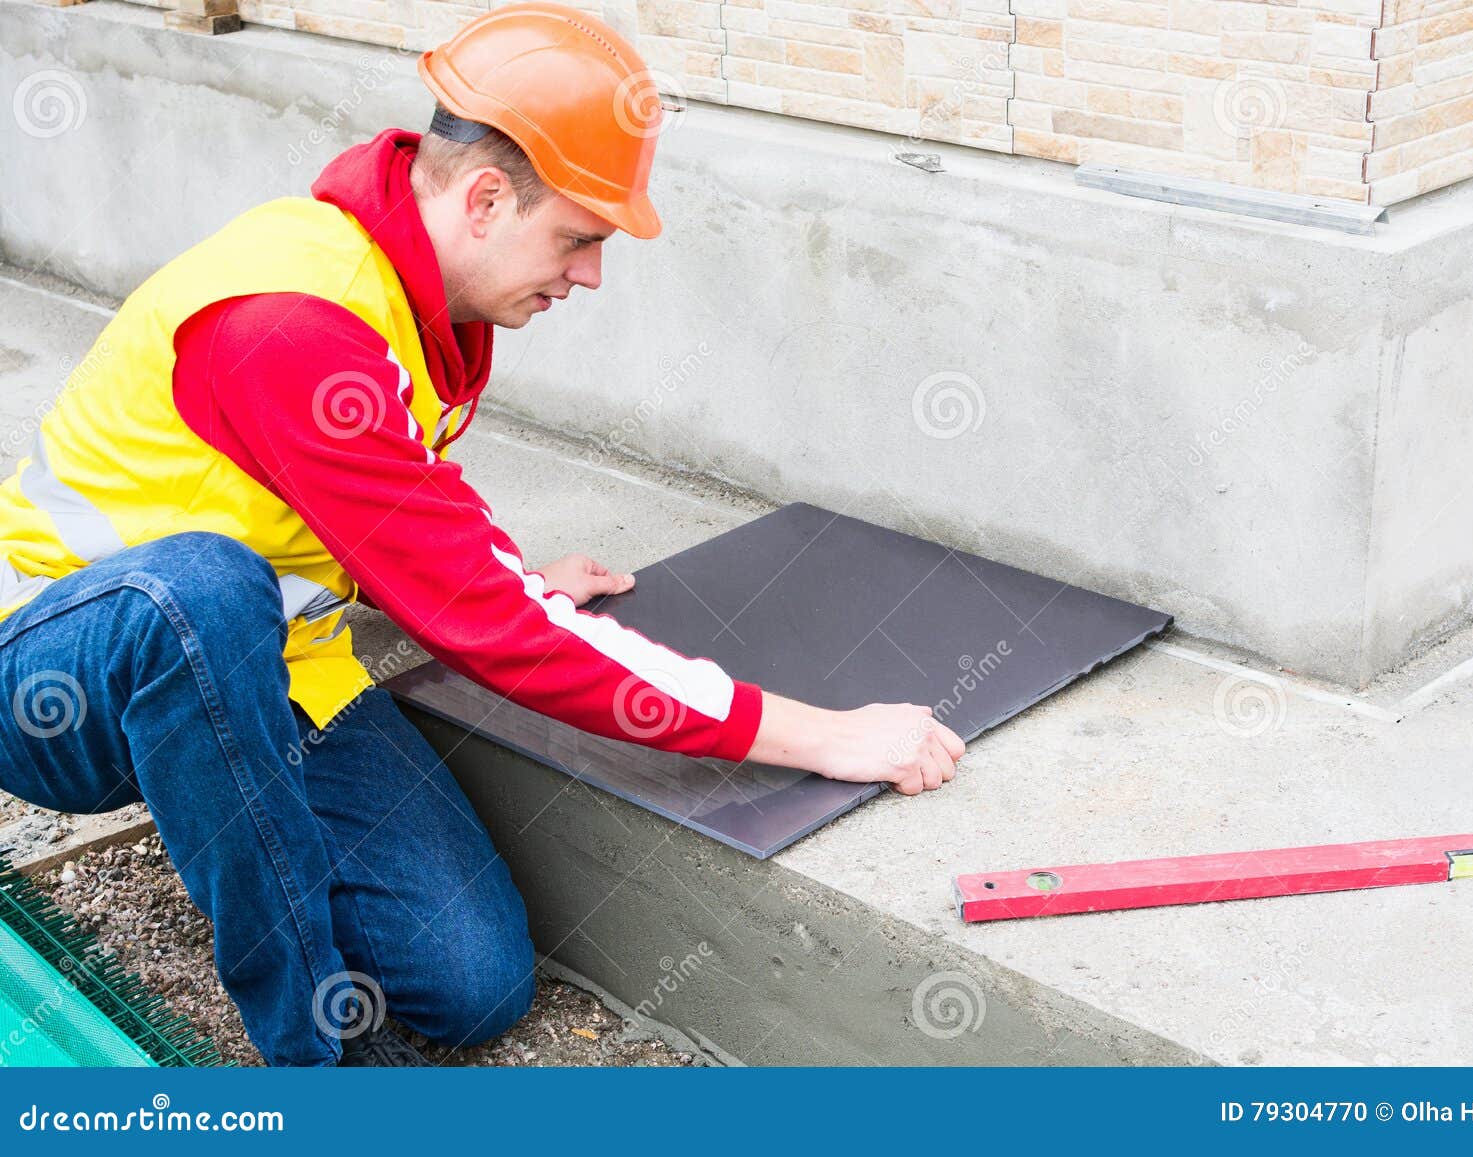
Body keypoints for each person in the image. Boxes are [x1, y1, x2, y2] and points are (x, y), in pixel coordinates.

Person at [0, 2, 963, 1066]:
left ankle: (216, 789)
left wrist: (497, 581)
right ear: (487, 196)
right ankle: (307, 1070)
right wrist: (817, 734)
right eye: (578, 237)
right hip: (54, 673)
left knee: (473, 982)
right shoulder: (290, 325)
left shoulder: (423, 304)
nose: (589, 274)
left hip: (268, 673)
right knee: (201, 590)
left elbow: (394, 510)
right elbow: (486, 624)